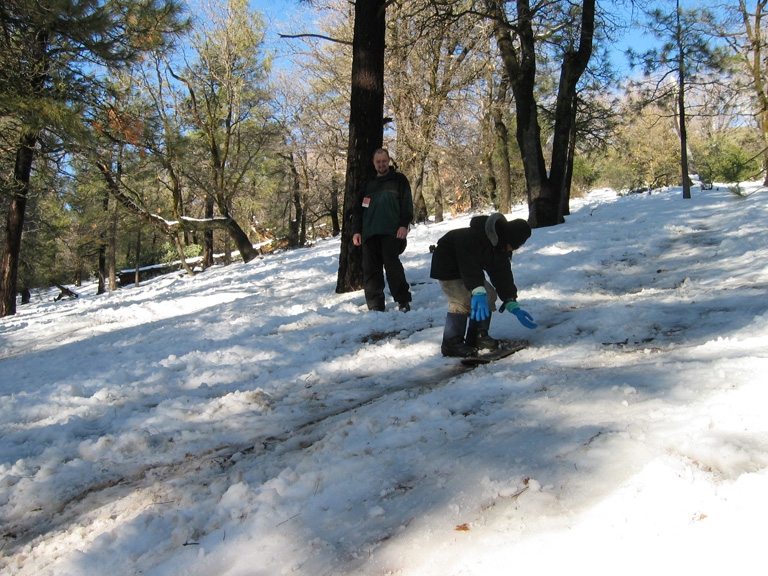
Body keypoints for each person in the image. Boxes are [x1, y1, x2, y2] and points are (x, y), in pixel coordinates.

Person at [429, 213, 536, 357]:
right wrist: (477, 290)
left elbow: (502, 273)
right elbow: (468, 265)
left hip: (467, 270)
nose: (512, 250)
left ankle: (478, 337)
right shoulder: (473, 237)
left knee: (490, 295)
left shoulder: (499, 246)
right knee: (461, 301)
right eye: (512, 245)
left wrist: (510, 300)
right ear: (507, 239)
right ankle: (451, 343)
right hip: (447, 268)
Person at [352, 148, 414, 312]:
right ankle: (375, 305)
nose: (381, 164)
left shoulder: (399, 180)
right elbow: (358, 209)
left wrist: (403, 225)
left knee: (392, 266)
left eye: (384, 161)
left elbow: (406, 204)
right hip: (369, 233)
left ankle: (402, 301)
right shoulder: (367, 184)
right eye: (378, 161)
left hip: (391, 231)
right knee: (371, 270)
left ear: (389, 161)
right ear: (374, 163)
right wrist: (356, 231)